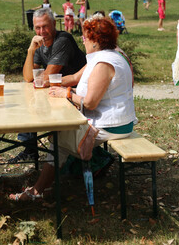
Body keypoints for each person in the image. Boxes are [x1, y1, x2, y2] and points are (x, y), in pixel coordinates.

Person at [9, 15, 137, 201]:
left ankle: (37, 191)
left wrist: (67, 94)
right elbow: (76, 77)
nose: (82, 40)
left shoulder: (104, 63)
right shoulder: (109, 54)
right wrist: (51, 83)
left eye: (85, 37)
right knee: (60, 133)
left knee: (59, 137)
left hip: (112, 126)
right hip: (116, 121)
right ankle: (65, 174)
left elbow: (91, 102)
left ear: (95, 40)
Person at [8, 8, 86, 163]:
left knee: (33, 102)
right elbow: (28, 77)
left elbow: (45, 78)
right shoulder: (39, 45)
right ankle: (30, 149)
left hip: (77, 93)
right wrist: (31, 50)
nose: (42, 31)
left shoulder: (63, 40)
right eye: (37, 28)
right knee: (29, 98)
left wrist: (39, 79)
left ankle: (51, 153)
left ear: (54, 24)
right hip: (57, 92)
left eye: (45, 26)